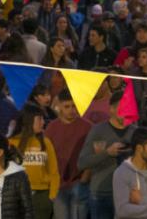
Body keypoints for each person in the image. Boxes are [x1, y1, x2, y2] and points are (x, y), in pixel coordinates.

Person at [78, 90, 136, 219]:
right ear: (111, 109)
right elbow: (82, 162)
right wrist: (107, 153)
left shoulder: (135, 132)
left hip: (128, 195)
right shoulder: (98, 131)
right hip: (101, 194)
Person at [45, 89, 93, 219]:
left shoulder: (87, 127)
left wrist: (85, 178)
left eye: (74, 106)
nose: (71, 110)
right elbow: (46, 156)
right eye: (67, 106)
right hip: (58, 183)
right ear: (59, 106)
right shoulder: (51, 128)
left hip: (79, 182)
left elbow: (92, 155)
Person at [8, 104, 60, 218]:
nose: (43, 123)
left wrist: (52, 196)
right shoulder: (11, 143)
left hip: (41, 197)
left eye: (43, 119)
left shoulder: (46, 142)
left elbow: (54, 172)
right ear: (28, 120)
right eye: (39, 119)